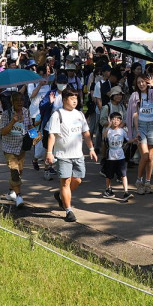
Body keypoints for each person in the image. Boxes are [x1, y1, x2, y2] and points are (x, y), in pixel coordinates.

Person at [45, 89, 98, 223]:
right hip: (63, 155)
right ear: (64, 100)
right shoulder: (57, 115)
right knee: (65, 181)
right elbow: (52, 135)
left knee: (78, 180)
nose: (75, 101)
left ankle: (61, 196)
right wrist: (49, 153)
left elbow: (86, 133)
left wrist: (91, 148)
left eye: (76, 98)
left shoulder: (80, 114)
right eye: (71, 98)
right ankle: (68, 210)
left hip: (78, 154)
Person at [128, 74, 153, 195]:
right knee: (144, 155)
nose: (141, 84)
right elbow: (134, 114)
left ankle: (148, 182)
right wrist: (137, 129)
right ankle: (139, 181)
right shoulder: (135, 96)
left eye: (143, 82)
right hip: (141, 127)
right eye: (139, 82)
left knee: (150, 158)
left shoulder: (152, 93)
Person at [0, 90, 32, 207]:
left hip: (22, 147)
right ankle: (19, 197)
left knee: (19, 172)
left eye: (21, 100)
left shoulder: (26, 112)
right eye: (17, 100)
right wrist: (13, 121)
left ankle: (11, 191)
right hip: (9, 148)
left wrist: (35, 135)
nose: (20, 102)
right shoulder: (6, 114)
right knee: (14, 171)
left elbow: (29, 126)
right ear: (12, 102)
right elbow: (3, 132)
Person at [99, 110, 133, 201]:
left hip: (120, 156)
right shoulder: (108, 131)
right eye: (113, 119)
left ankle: (126, 192)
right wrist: (109, 125)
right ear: (110, 120)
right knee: (109, 175)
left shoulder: (122, 131)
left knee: (123, 174)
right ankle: (108, 189)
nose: (115, 121)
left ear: (120, 121)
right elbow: (104, 136)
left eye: (118, 119)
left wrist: (135, 140)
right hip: (110, 156)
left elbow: (128, 140)